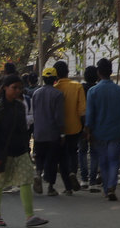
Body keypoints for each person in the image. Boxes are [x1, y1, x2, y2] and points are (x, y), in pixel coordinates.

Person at [0, 72, 45, 228]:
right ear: (5, 88)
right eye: (14, 88)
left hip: (21, 151)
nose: (18, 91)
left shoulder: (19, 106)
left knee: (25, 182)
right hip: (3, 153)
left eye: (20, 88)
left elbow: (23, 129)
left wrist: (26, 147)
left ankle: (30, 217)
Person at [84, 56, 120, 201]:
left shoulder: (93, 91)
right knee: (114, 160)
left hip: (99, 132)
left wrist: (88, 130)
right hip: (116, 131)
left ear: (99, 72)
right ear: (111, 72)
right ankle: (112, 185)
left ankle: (106, 188)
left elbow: (90, 114)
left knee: (103, 161)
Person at [29, 67, 66, 196]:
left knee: (39, 156)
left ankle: (38, 174)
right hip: (52, 133)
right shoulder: (58, 94)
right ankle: (50, 187)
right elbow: (59, 117)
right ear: (55, 79)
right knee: (51, 159)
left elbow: (34, 113)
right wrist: (62, 133)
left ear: (43, 79)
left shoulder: (36, 93)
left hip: (39, 132)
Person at [53, 60, 87, 194]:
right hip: (75, 126)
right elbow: (82, 110)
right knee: (73, 152)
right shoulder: (77, 86)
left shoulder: (55, 89)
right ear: (68, 71)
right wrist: (85, 127)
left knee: (62, 157)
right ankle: (73, 172)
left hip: (59, 129)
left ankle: (68, 187)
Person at [79, 63, 101, 191]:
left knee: (82, 151)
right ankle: (92, 181)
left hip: (81, 124)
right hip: (95, 125)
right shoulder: (98, 89)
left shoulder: (80, 88)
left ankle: (83, 179)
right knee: (94, 152)